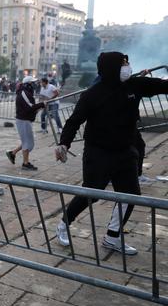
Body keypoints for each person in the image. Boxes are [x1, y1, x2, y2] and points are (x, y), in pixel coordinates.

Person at [54, 52, 168, 254]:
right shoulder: (92, 94)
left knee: (130, 196)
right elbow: (74, 121)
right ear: (112, 67)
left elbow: (162, 85)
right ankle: (64, 223)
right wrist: (64, 144)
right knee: (91, 193)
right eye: (123, 63)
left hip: (125, 152)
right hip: (98, 153)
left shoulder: (134, 85)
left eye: (128, 63)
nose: (128, 66)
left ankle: (112, 238)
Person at [6, 76, 44, 170]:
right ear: (28, 84)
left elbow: (30, 108)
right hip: (23, 120)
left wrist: (41, 106)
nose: (34, 85)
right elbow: (30, 107)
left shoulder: (26, 92)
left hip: (26, 119)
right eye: (32, 83)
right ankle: (25, 163)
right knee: (27, 142)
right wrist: (42, 104)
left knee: (27, 141)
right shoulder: (23, 93)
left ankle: (13, 153)